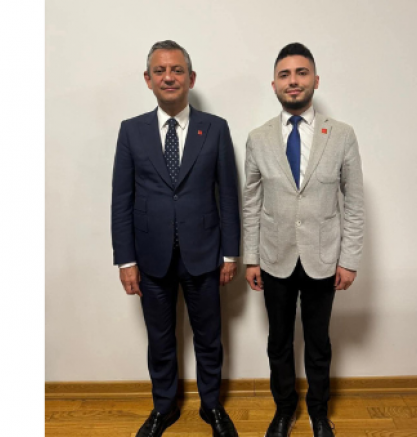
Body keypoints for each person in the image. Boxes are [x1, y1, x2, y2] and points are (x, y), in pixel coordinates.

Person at [111, 40, 241, 437]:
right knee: (160, 339)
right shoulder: (131, 131)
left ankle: (211, 406)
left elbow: (228, 195)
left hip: (205, 254)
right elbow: (122, 200)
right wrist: (126, 260)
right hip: (150, 257)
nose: (169, 77)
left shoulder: (215, 128)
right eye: (160, 71)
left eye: (177, 70)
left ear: (191, 78)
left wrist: (231, 253)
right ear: (148, 79)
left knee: (209, 338)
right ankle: (163, 408)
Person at [242, 43, 365, 437]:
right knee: (278, 341)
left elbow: (354, 202)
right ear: (274, 84)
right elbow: (251, 203)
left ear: (315, 80)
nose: (292, 81)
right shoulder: (258, 138)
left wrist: (349, 259)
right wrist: (250, 258)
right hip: (273, 257)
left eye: (301, 73)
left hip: (323, 257)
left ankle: (318, 412)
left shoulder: (341, 135)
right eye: (284, 74)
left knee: (318, 341)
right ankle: (284, 410)